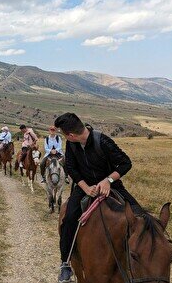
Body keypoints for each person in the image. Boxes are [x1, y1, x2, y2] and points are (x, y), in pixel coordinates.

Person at [54, 113, 139, 283]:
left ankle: (141, 262)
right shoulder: (72, 144)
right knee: (69, 219)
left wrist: (107, 181)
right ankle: (66, 263)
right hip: (84, 186)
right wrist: (85, 187)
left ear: (71, 135)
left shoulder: (103, 142)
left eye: (64, 135)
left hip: (110, 185)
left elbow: (125, 163)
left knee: (139, 215)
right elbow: (70, 166)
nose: (66, 138)